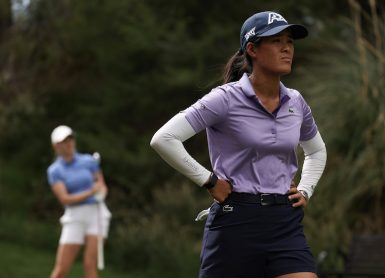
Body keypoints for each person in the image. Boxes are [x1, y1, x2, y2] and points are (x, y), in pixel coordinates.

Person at [150, 11, 327, 278]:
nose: (286, 48)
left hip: (284, 220)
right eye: (276, 40)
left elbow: (316, 150)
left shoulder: (296, 101)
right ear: (252, 49)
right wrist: (209, 181)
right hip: (236, 220)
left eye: (289, 41)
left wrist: (306, 190)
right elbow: (163, 139)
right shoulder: (224, 99)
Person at [47, 125, 111, 278]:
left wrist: (100, 193)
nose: (69, 143)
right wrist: (91, 192)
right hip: (74, 216)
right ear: (56, 146)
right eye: (64, 141)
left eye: (70, 139)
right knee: (61, 270)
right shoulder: (55, 170)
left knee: (90, 264)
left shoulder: (89, 161)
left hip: (96, 214)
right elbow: (65, 199)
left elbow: (101, 185)